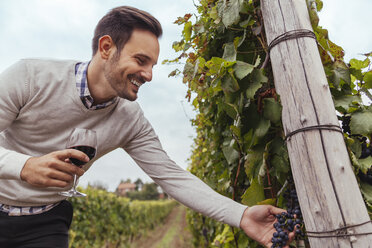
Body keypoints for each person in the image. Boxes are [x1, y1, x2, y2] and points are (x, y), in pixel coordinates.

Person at [0, 6, 294, 248]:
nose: (149, 75)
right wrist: (24, 166)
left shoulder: (130, 120)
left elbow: (172, 177)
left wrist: (241, 215)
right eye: (141, 60)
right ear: (106, 48)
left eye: (153, 64)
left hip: (46, 223)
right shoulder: (29, 77)